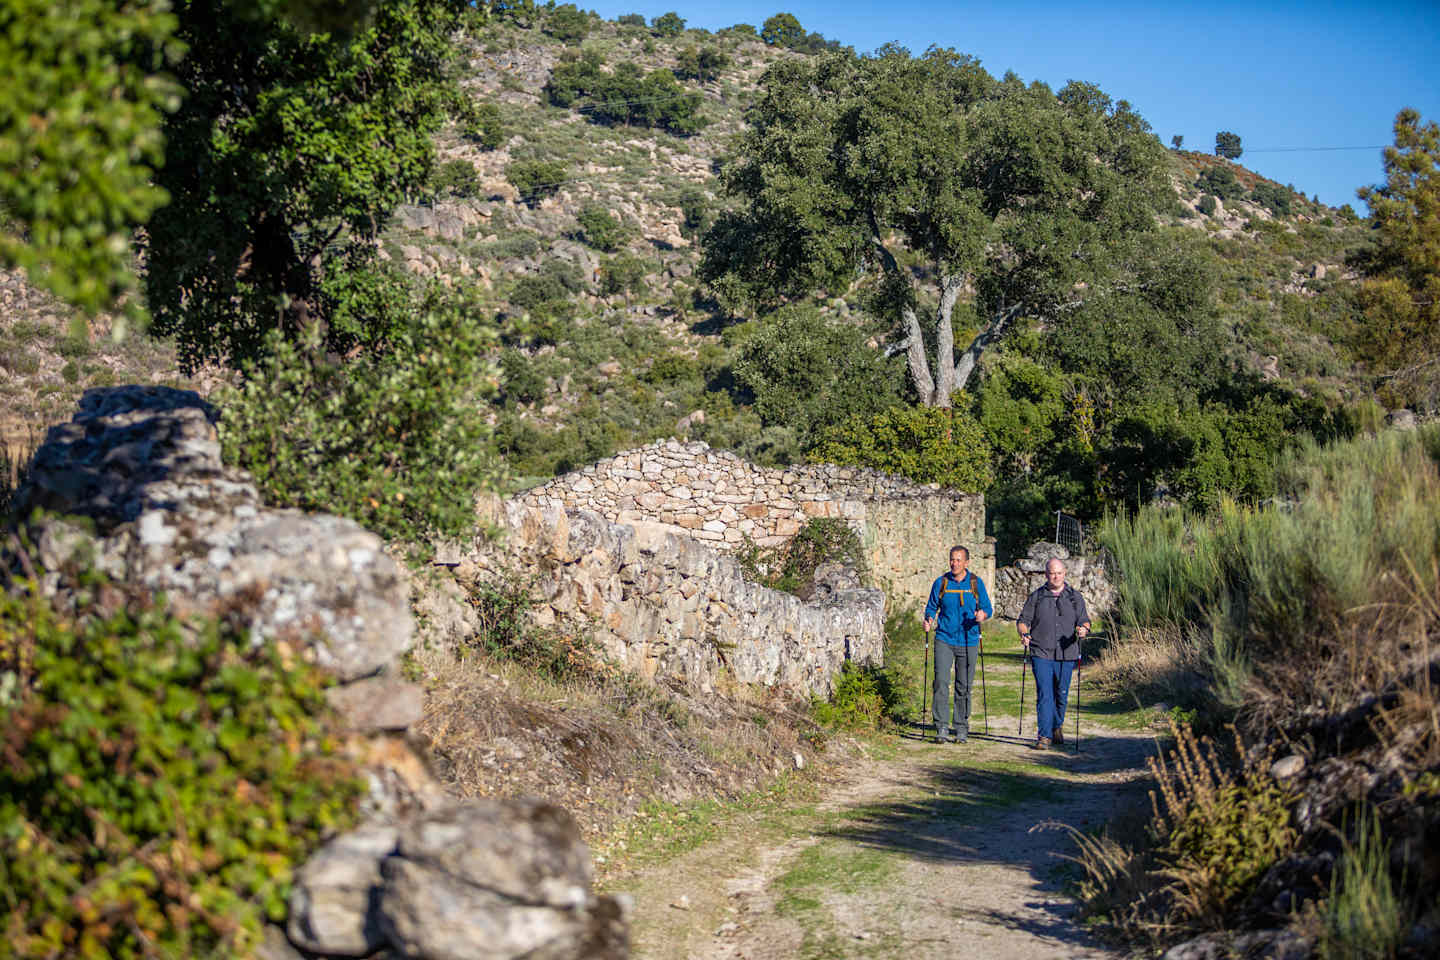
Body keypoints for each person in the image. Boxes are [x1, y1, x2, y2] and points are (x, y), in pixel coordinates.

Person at [1017, 557, 1090, 749]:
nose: (1055, 576)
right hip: (1041, 650)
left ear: (1064, 573)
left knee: (1061, 694)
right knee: (1045, 694)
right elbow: (1023, 620)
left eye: (1058, 573)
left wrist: (1083, 629)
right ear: (1046, 574)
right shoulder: (1037, 596)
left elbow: (1085, 620)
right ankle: (1044, 735)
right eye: (1051, 573)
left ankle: (1057, 725)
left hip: (1067, 653)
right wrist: (1024, 633)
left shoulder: (1075, 597)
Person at [922, 545, 992, 743]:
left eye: (959, 560)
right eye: (952, 559)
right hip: (944, 638)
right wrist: (928, 619)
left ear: (967, 562)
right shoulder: (941, 583)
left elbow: (987, 608)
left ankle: (961, 727)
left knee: (964, 685)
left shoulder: (975, 583)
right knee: (941, 682)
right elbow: (931, 606)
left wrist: (982, 615)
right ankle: (942, 726)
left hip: (969, 640)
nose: (955, 563)